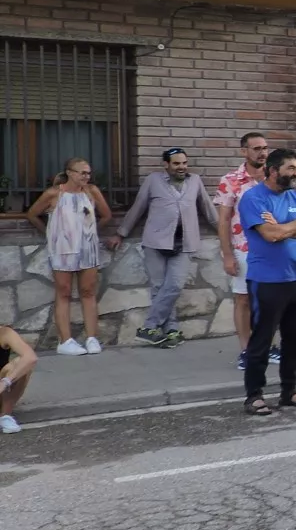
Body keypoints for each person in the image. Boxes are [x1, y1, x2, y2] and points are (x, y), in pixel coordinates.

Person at [238, 148, 296, 415]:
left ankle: (289, 391)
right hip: (266, 280)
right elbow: (269, 236)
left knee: (295, 339)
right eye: (291, 169)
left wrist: (287, 225)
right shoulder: (253, 198)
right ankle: (254, 395)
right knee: (262, 338)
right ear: (273, 171)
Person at [117, 148, 219, 347]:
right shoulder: (153, 180)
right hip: (156, 242)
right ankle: (171, 331)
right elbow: (138, 207)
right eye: (176, 163)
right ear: (166, 165)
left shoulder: (195, 181)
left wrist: (225, 232)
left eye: (183, 163)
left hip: (185, 243)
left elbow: (207, 208)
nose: (181, 167)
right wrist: (121, 233)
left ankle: (149, 326)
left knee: (174, 285)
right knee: (158, 288)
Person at [26, 157, 120, 356]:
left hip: (88, 249)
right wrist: (50, 233)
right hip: (62, 250)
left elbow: (106, 215)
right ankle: (65, 341)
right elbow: (32, 214)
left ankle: (92, 338)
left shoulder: (91, 192)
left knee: (88, 291)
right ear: (69, 172)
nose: (86, 176)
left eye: (88, 173)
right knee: (64, 292)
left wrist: (90, 232)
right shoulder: (54, 194)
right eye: (82, 172)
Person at [215, 132, 274, 370]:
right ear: (244, 151)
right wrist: (227, 254)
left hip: (273, 249)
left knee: (270, 301)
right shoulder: (231, 181)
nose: (262, 152)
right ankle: (246, 350)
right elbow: (223, 221)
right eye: (257, 148)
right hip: (243, 248)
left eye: (265, 148)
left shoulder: (273, 178)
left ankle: (267, 346)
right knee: (243, 299)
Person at [0, 326, 38, 433]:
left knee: (19, 364)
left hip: (1, 391)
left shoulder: (4, 332)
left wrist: (5, 382)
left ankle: (4, 416)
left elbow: (30, 357)